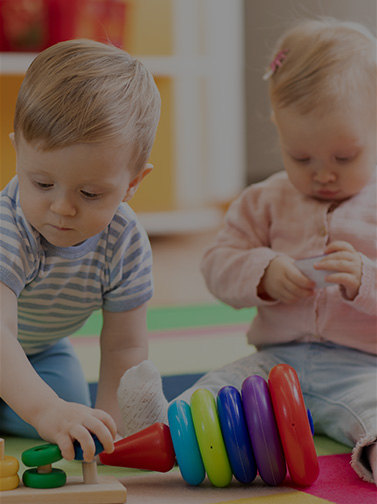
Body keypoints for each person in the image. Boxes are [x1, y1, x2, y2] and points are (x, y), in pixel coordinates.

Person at [117, 19, 377, 485]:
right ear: (278, 126)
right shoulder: (264, 200)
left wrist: (365, 279)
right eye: (301, 158)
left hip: (363, 367)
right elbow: (217, 263)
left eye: (343, 157)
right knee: (210, 398)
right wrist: (262, 272)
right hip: (271, 363)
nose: (322, 174)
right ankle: (154, 426)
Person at [0, 38, 161, 461]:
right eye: (43, 184)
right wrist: (45, 409)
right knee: (51, 410)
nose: (62, 208)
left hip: (44, 350)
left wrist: (109, 426)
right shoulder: (9, 226)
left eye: (90, 193)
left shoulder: (124, 242)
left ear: (132, 184)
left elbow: (125, 347)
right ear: (17, 151)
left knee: (77, 412)